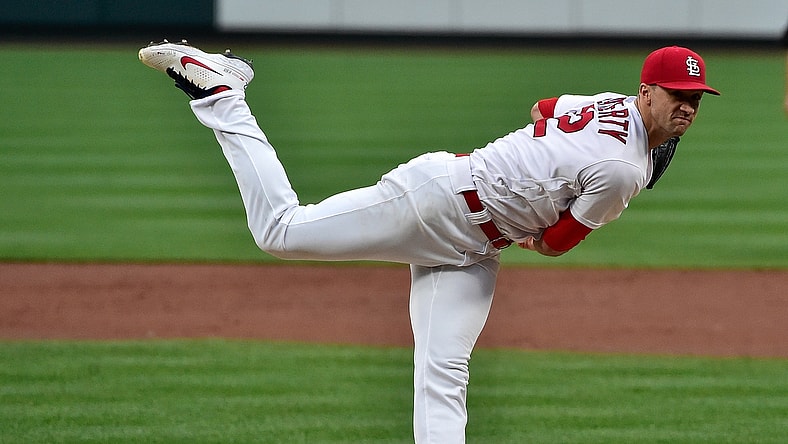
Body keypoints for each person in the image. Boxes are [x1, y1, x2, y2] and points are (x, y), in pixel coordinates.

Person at [139, 41, 719, 443]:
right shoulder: (623, 172)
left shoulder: (605, 103)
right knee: (280, 231)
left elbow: (544, 109)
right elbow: (557, 244)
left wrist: (533, 171)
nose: (686, 107)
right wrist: (534, 205)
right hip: (438, 201)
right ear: (647, 93)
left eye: (694, 98)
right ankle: (220, 90)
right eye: (676, 95)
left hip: (472, 251)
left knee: (444, 374)